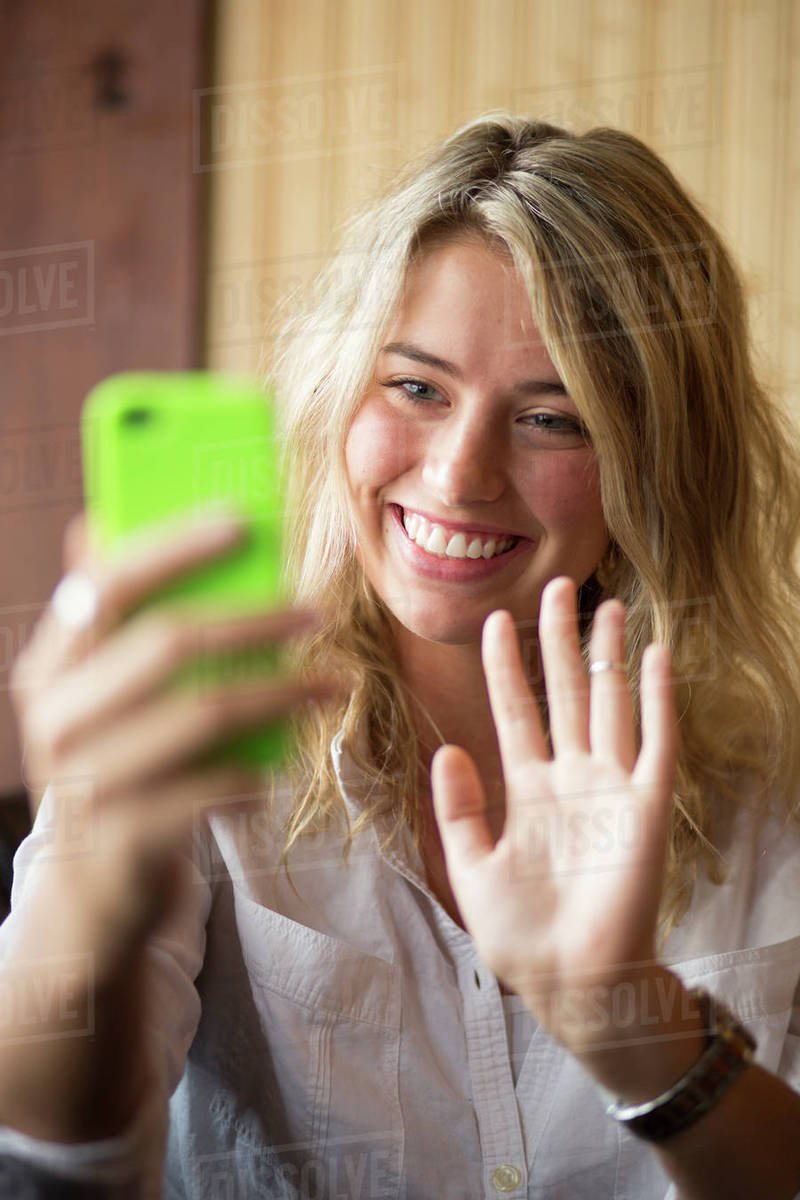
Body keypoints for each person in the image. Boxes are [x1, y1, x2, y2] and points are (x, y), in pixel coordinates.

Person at [0, 112, 799, 1199]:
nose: (460, 474)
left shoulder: (773, 792)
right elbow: (39, 1163)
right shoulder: (201, 731)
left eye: (552, 418)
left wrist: (630, 1023)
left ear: (653, 460)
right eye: (415, 388)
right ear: (341, 392)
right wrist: (96, 891)